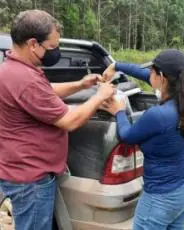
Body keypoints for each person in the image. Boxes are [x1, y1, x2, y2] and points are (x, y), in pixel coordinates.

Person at [0, 10, 114, 230]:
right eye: (52, 48)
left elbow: (46, 91)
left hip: (20, 171)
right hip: (31, 180)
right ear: (33, 44)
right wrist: (100, 96)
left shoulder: (12, 69)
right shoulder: (26, 79)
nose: (56, 52)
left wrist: (80, 85)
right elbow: (70, 121)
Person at [102, 49, 184, 229]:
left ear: (162, 78)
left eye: (152, 71)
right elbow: (144, 74)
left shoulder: (157, 115)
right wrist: (116, 66)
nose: (148, 75)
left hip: (161, 198)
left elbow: (127, 136)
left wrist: (119, 111)